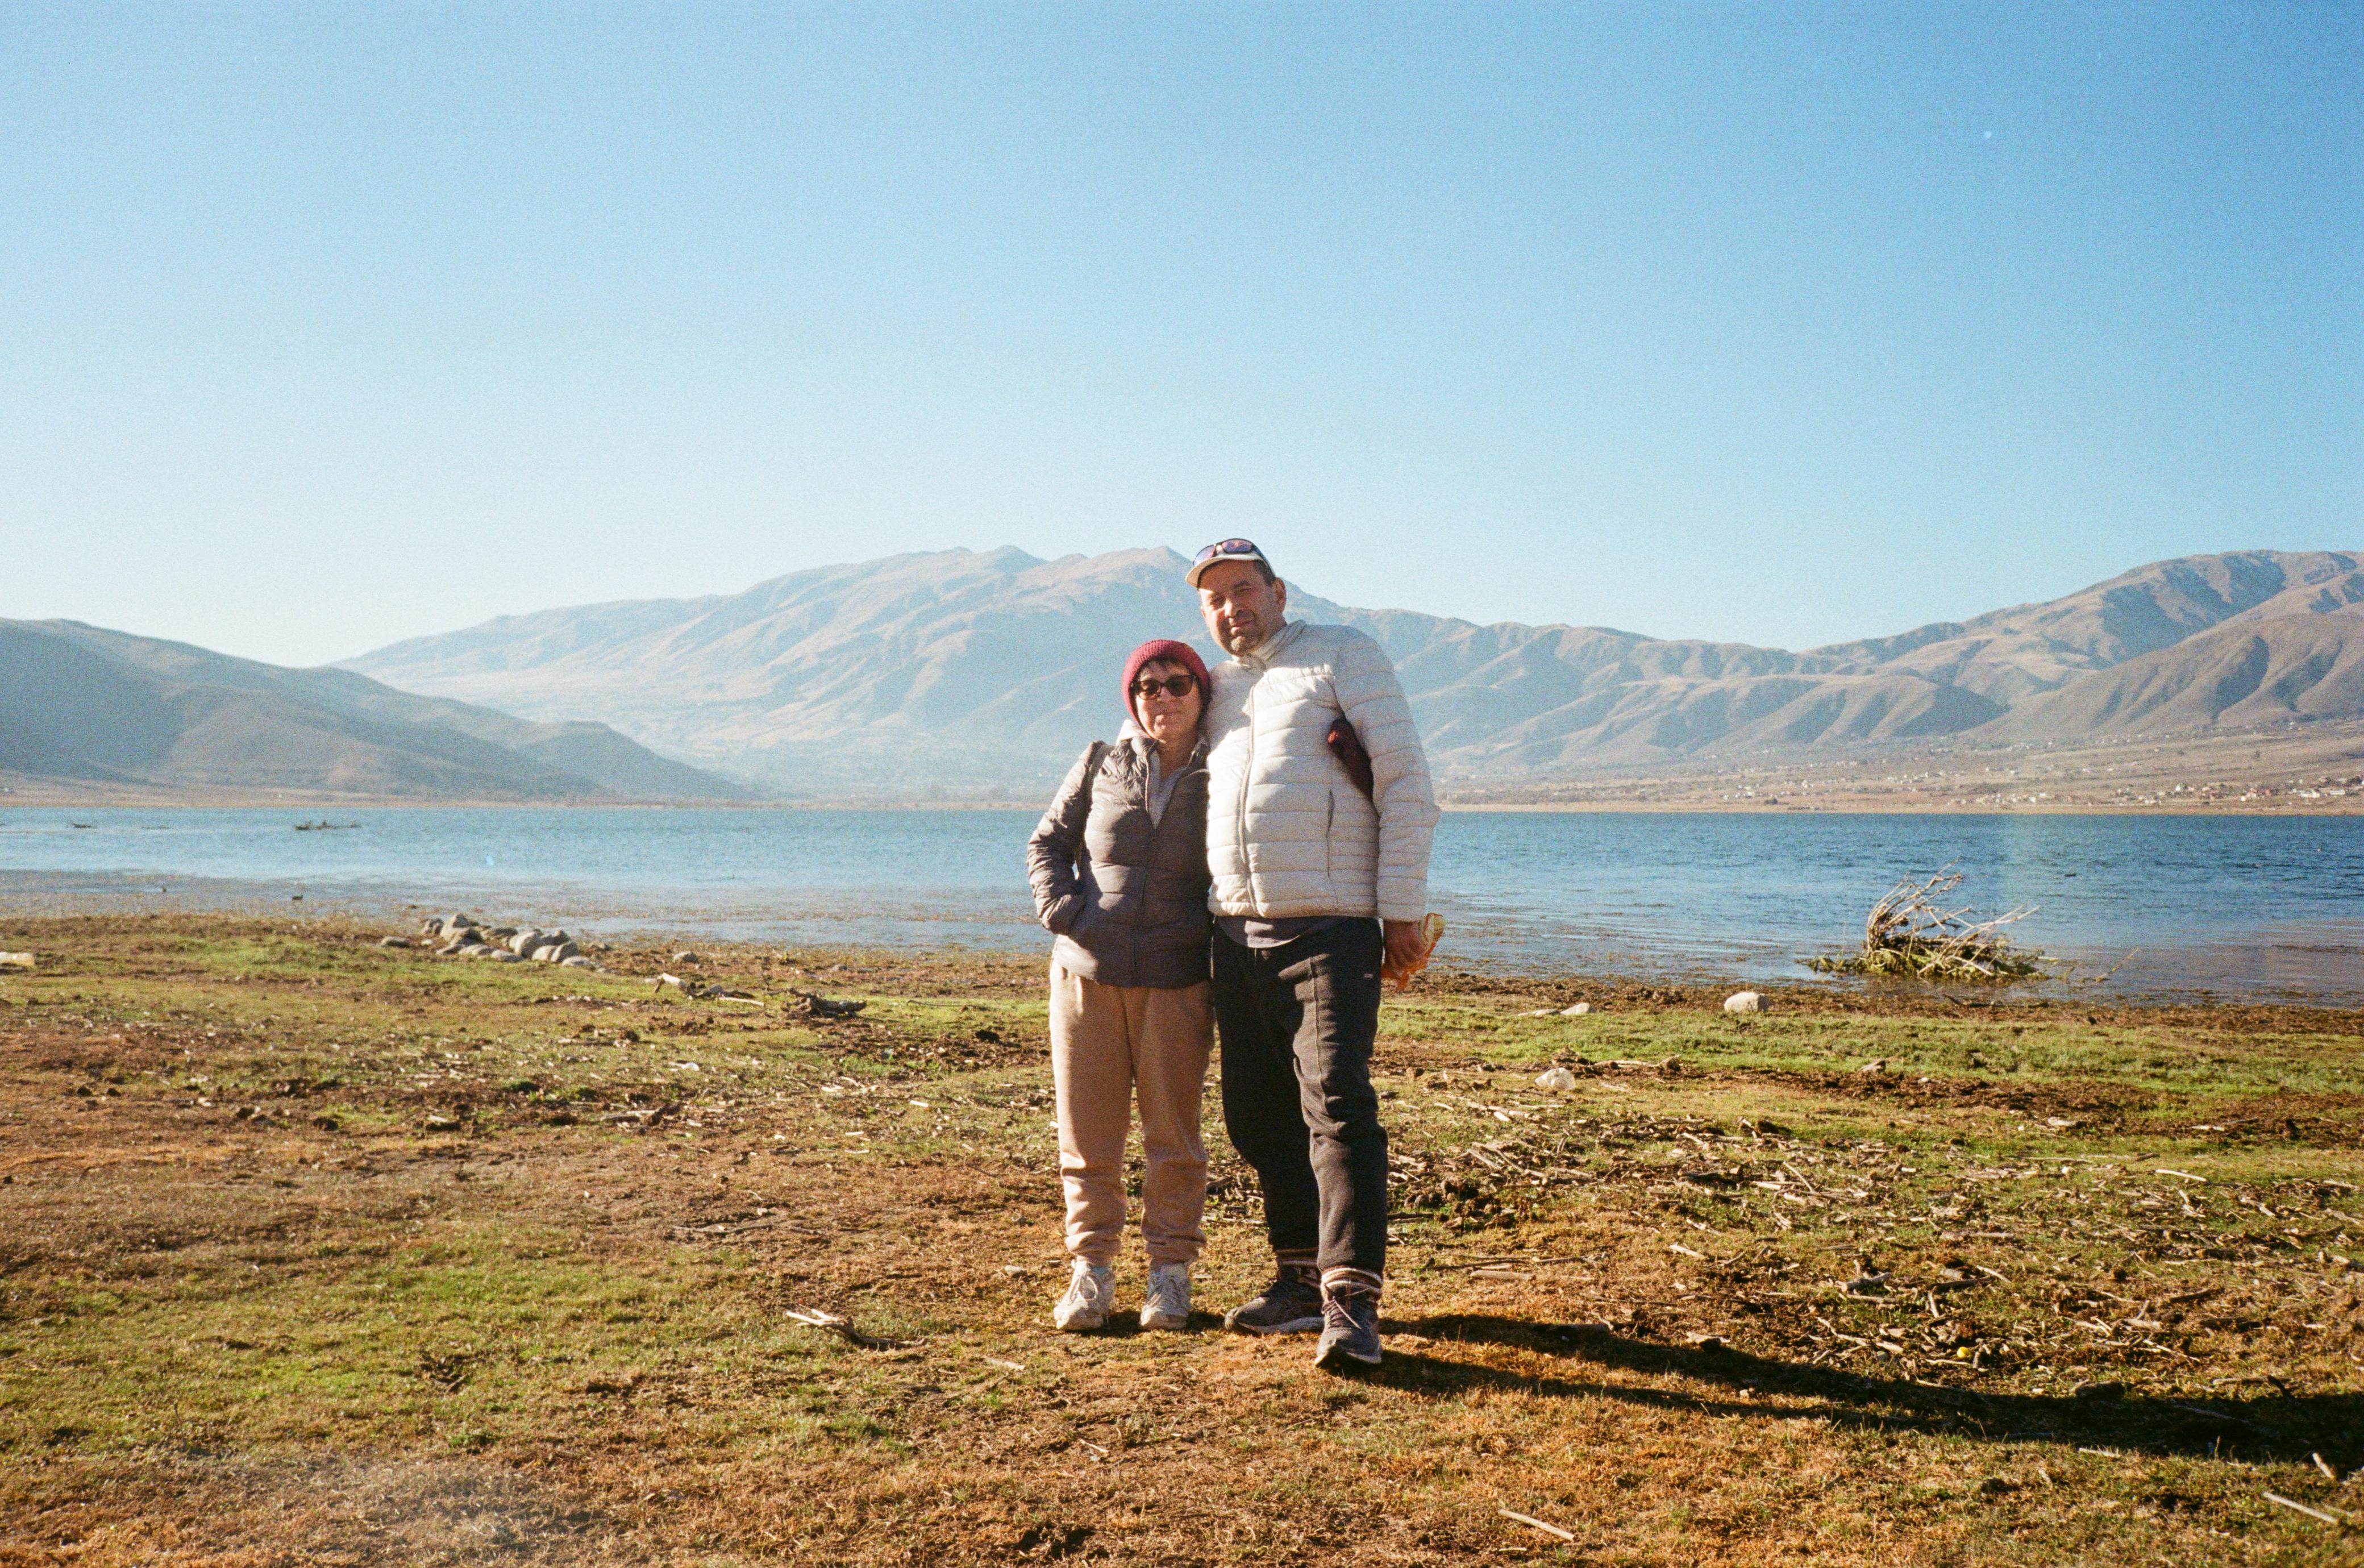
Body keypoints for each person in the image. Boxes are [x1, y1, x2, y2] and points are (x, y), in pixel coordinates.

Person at [1187, 537, 1439, 1370]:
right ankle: (1296, 1277)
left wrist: (1400, 909)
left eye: (1244, 588)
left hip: (1330, 927)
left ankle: (1351, 1300)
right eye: (1215, 597)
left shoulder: (1343, 654)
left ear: (1279, 590)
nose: (1233, 606)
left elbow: (1405, 780)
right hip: (1237, 931)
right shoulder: (1215, 687)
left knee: (1336, 1105)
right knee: (1256, 1115)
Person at [1025, 638, 1217, 1332]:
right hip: (1085, 975)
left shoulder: (1225, 768)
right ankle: (1091, 1271)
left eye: (1176, 683)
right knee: (1088, 1133)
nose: (1160, 696)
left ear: (1201, 691)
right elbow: (1047, 842)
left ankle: (1168, 1275)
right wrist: (1065, 913)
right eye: (1146, 686)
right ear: (1130, 697)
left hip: (1177, 980)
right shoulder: (1101, 760)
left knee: (1174, 1135)